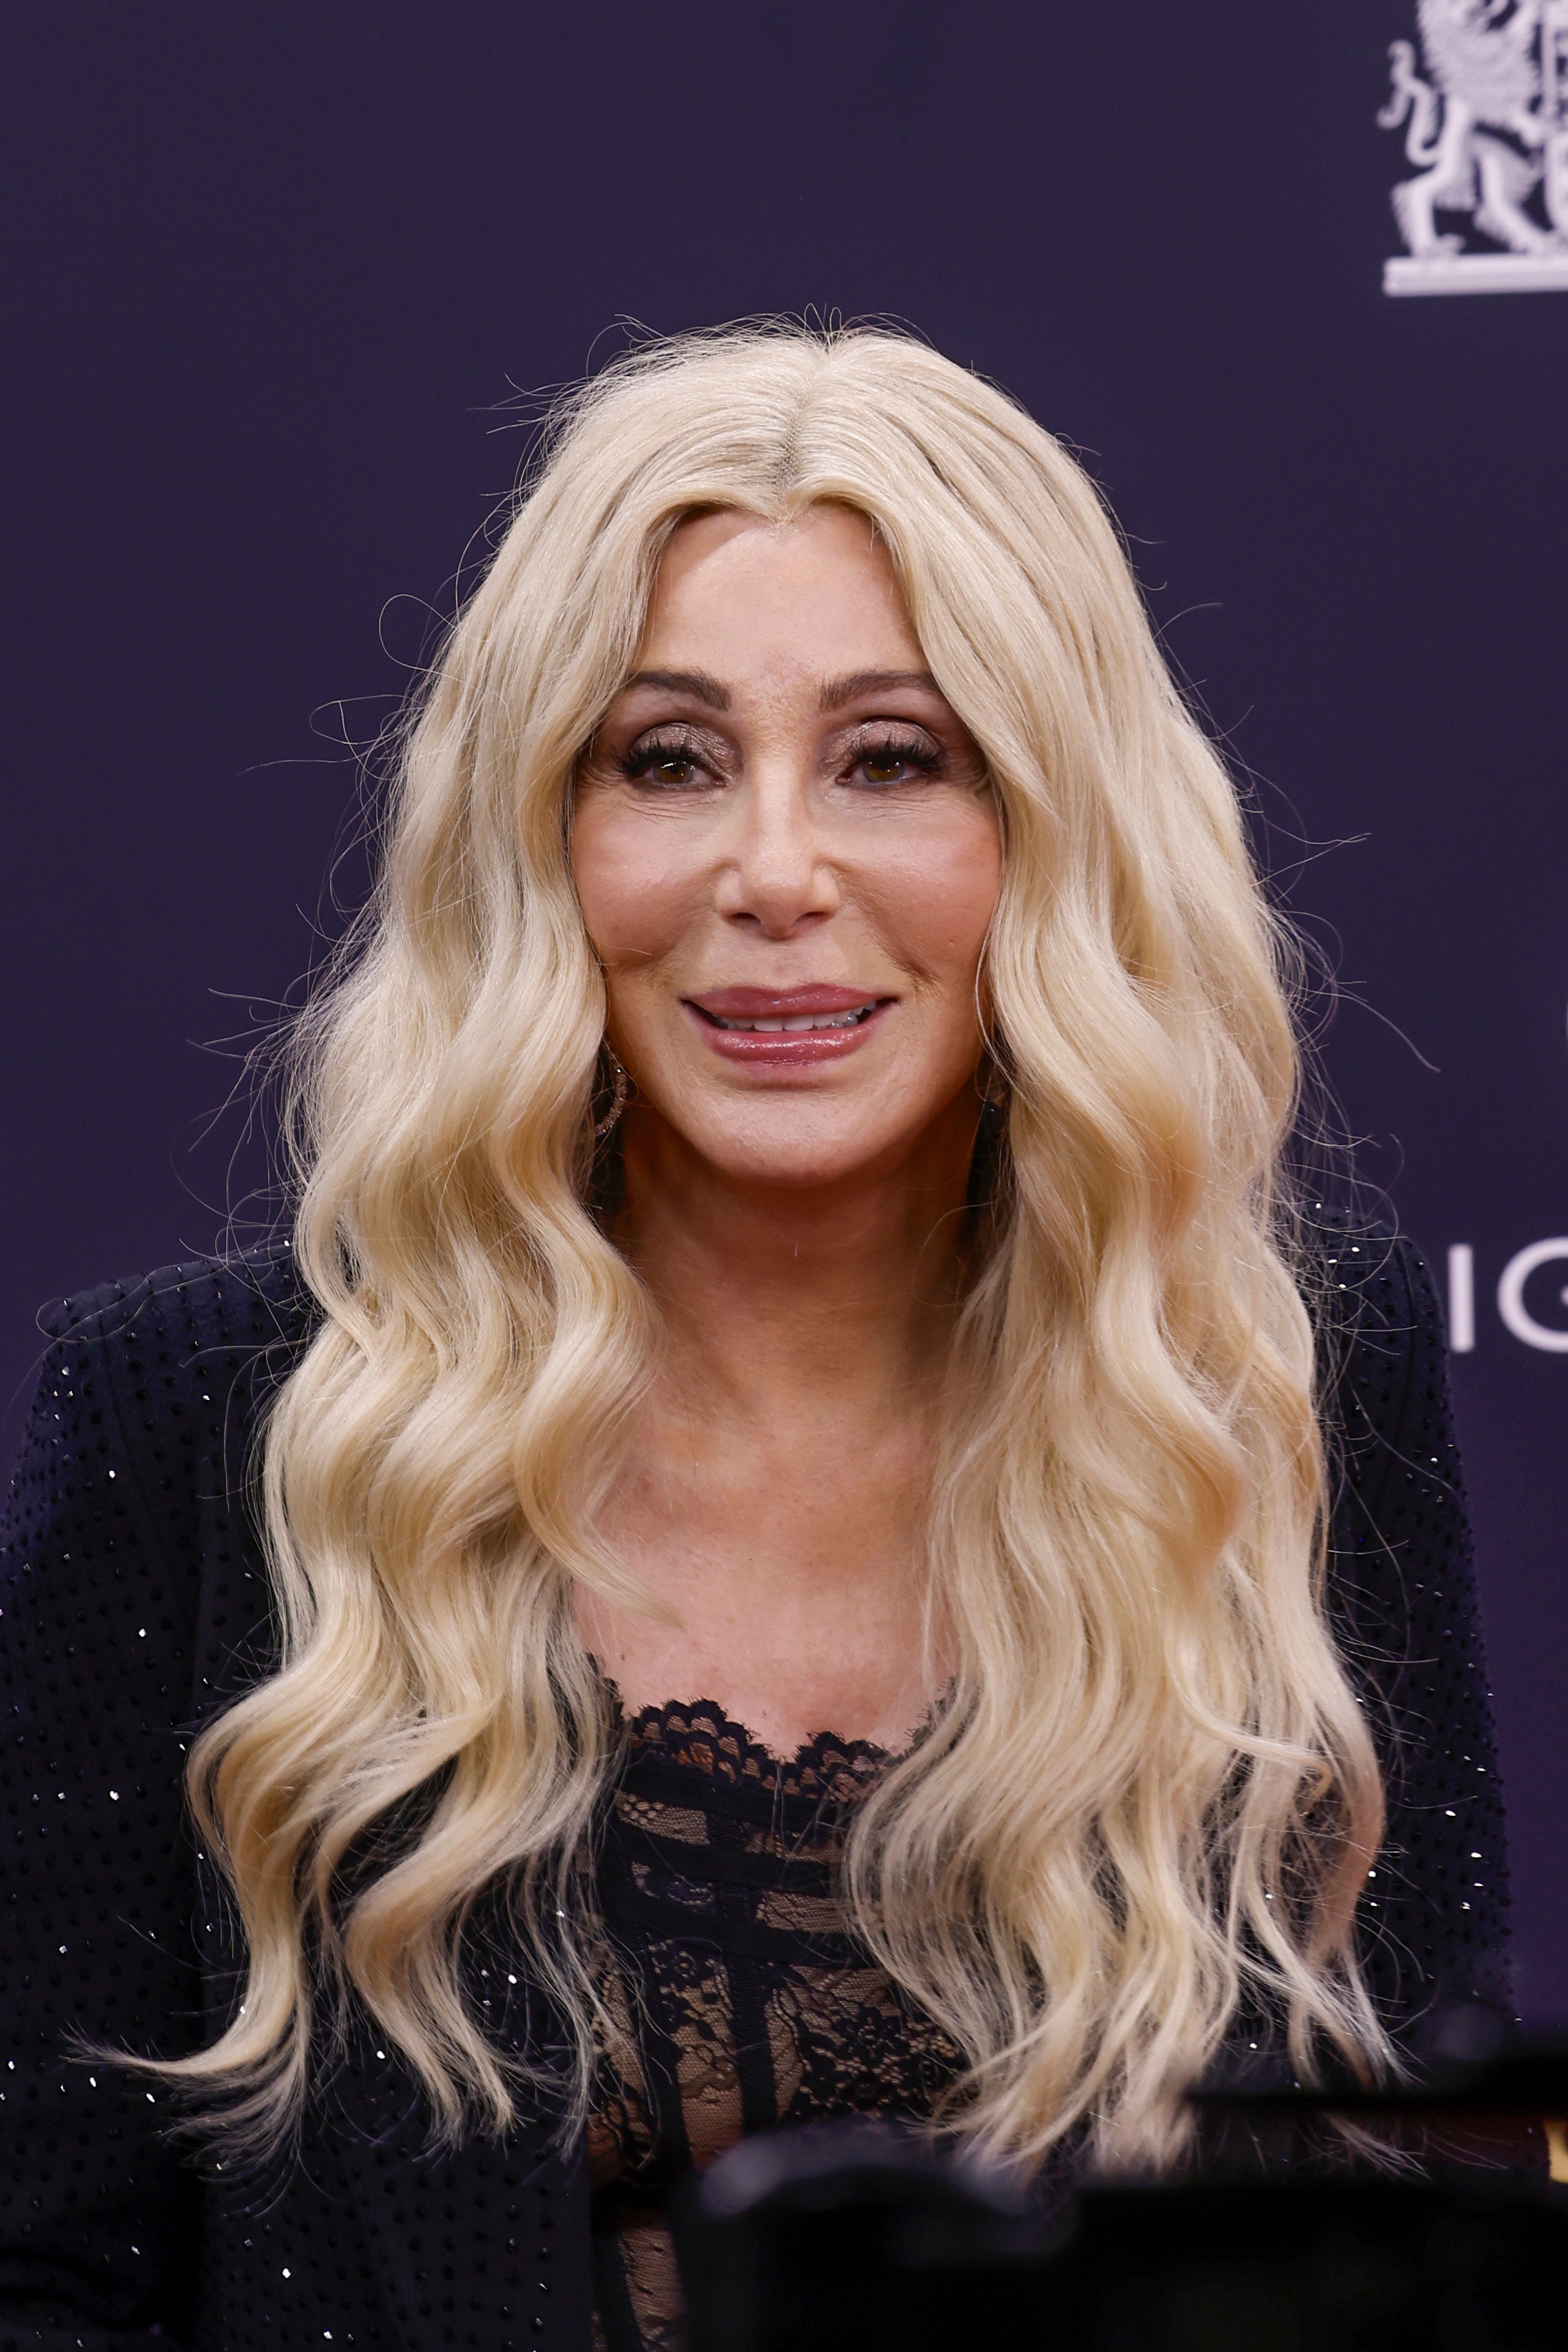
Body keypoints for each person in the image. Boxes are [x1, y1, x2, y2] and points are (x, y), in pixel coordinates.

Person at [0, 324, 1513, 2352]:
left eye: (894, 758)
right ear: (544, 837)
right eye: (668, 760)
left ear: (1051, 832)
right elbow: (47, 2284)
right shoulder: (201, 1435)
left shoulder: (1275, 1393)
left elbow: (1416, 2241)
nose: (774, 873)